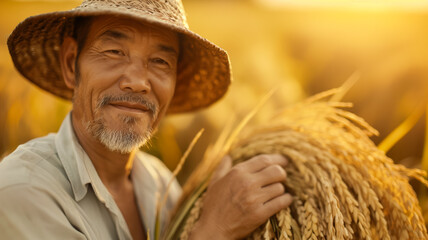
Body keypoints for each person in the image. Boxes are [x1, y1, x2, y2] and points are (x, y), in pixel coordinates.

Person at [0, 0, 293, 239]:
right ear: (70, 64)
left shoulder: (159, 183)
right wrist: (214, 228)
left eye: (160, 62)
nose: (138, 81)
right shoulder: (21, 191)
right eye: (114, 52)